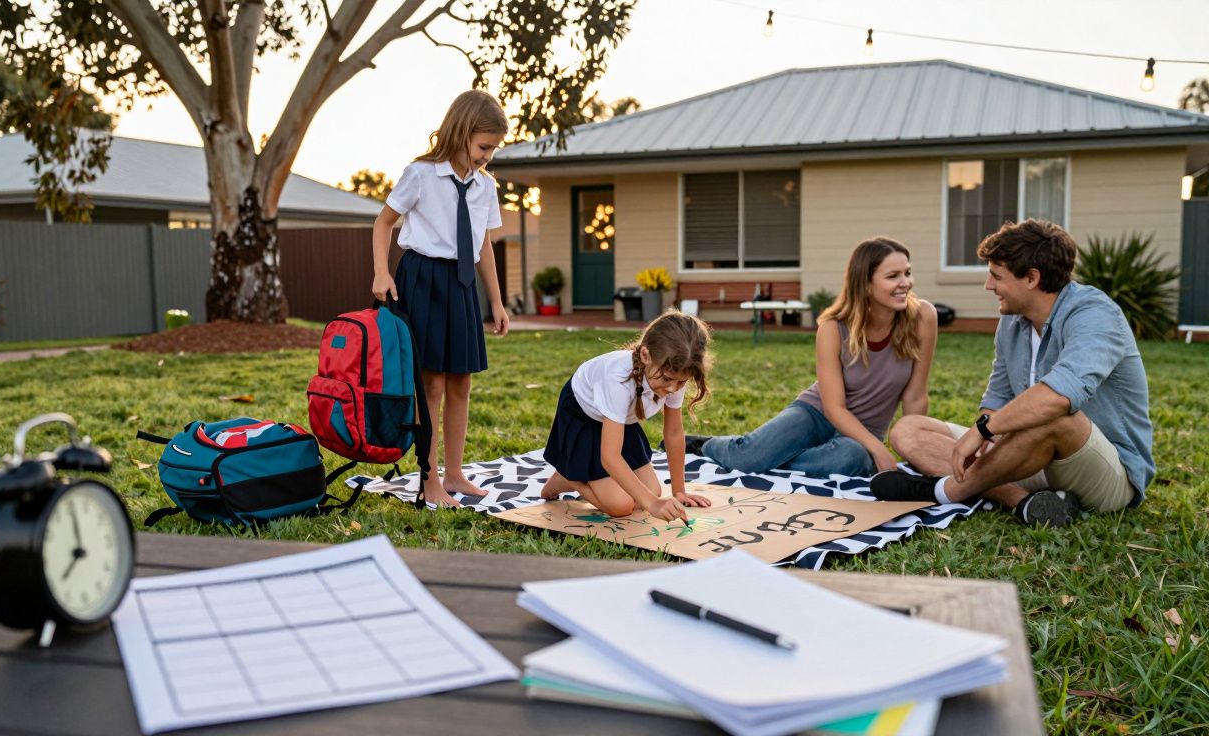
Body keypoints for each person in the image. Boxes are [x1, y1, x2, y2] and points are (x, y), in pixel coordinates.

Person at [871, 219, 1154, 527]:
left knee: (1053, 414)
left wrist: (982, 432)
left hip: (1105, 473)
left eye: (997, 276)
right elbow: (999, 394)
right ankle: (1024, 501)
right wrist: (987, 438)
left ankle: (946, 490)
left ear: (1031, 278)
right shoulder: (1013, 319)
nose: (988, 286)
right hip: (1030, 457)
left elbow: (1059, 397)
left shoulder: (1096, 315)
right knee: (909, 430)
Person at [684, 238, 937, 478]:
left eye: (907, 272)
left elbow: (915, 395)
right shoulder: (833, 327)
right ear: (866, 284)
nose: (906, 282)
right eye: (893, 276)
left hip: (862, 435)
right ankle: (708, 446)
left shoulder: (923, 317)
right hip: (816, 415)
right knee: (749, 459)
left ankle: (773, 458)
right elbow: (833, 408)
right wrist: (879, 449)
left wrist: (913, 455)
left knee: (851, 459)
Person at [371, 90, 511, 508]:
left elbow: (483, 245)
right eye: (484, 146)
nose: (487, 156)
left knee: (461, 382)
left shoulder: (485, 186)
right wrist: (381, 271)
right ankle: (428, 477)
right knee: (430, 384)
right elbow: (383, 223)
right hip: (424, 279)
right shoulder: (420, 174)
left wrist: (498, 302)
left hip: (463, 286)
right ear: (462, 132)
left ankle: (454, 473)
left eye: (493, 149)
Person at [539, 311, 715, 521]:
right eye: (668, 379)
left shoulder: (674, 373)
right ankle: (570, 475)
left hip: (619, 421)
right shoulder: (618, 380)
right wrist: (653, 504)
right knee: (621, 506)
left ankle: (582, 475)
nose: (673, 388)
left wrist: (679, 491)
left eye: (681, 382)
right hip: (583, 418)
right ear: (645, 355)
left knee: (651, 493)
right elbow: (610, 457)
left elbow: (674, 432)